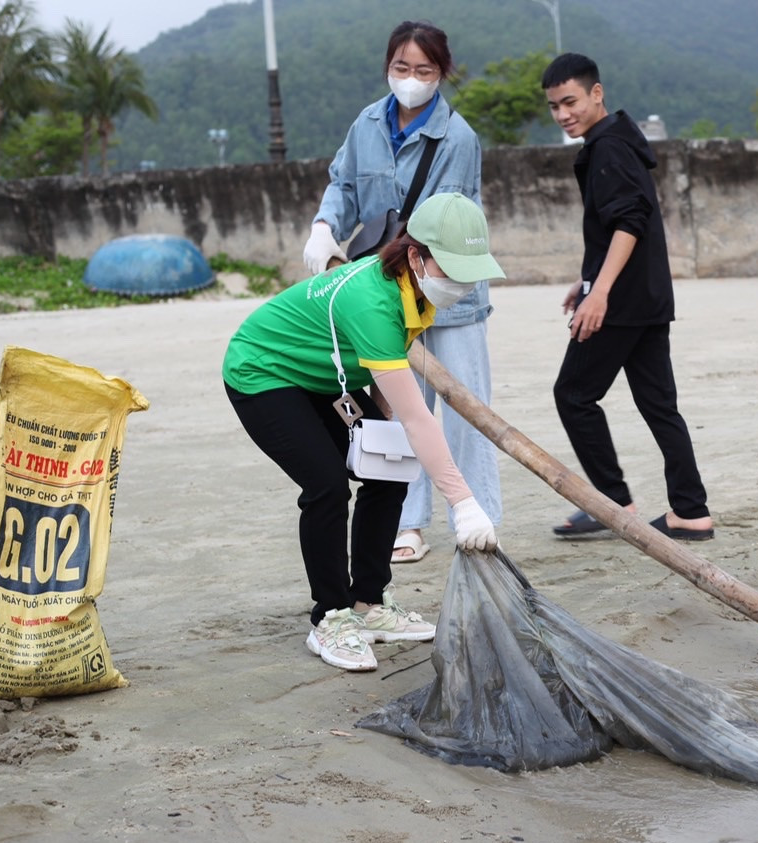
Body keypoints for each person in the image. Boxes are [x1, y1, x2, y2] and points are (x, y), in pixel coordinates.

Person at [225, 192, 505, 672]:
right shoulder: (373, 301)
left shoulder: (414, 288)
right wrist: (462, 502)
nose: (462, 283)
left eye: (470, 271)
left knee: (391, 465)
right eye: (452, 269)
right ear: (416, 255)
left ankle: (368, 603)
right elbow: (417, 415)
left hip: (327, 376)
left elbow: (385, 387)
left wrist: (381, 425)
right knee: (327, 484)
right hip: (264, 372)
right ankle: (331, 616)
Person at [302, 19, 500, 567]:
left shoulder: (457, 138)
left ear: (441, 73)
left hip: (446, 289)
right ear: (388, 66)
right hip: (389, 292)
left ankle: (477, 514)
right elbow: (343, 185)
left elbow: (439, 227)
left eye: (424, 70)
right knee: (398, 408)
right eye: (401, 68)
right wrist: (325, 227)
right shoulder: (365, 124)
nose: (411, 79)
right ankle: (408, 523)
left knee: (464, 409)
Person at [540, 53, 714, 542]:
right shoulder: (617, 142)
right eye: (554, 106)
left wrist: (601, 293)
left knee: (573, 394)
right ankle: (690, 510)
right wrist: (588, 278)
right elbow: (623, 222)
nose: (562, 114)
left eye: (570, 101)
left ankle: (612, 502)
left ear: (597, 94)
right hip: (648, 297)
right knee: (659, 405)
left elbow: (628, 222)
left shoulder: (609, 149)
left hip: (622, 304)